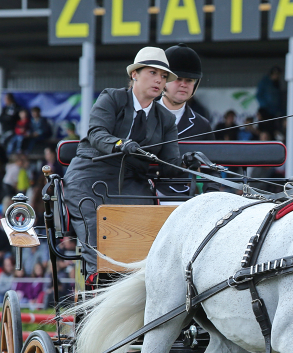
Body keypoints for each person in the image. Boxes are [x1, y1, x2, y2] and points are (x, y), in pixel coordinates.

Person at [62, 46, 197, 273]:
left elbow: (169, 167)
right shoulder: (111, 98)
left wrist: (186, 164)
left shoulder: (165, 119)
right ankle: (98, 294)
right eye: (152, 73)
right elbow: (96, 134)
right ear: (134, 74)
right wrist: (120, 144)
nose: (159, 80)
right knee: (100, 244)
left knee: (145, 243)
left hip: (133, 183)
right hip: (91, 176)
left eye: (163, 76)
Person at [161, 44, 214, 141]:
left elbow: (211, 156)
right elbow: (122, 141)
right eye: (178, 79)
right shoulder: (141, 115)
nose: (184, 84)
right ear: (163, 80)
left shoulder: (202, 126)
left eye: (189, 80)